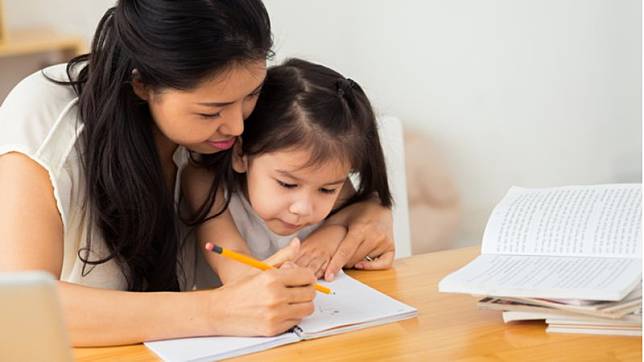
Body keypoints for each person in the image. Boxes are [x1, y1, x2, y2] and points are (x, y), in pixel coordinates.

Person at [0, 0, 394, 347]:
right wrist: (215, 310)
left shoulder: (231, 131)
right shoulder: (45, 119)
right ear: (141, 83)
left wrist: (359, 213)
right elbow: (18, 309)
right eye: (210, 111)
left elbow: (319, 174)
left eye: (252, 95)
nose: (238, 127)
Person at [184, 58, 393, 284]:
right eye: (287, 184)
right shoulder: (204, 181)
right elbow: (234, 265)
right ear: (240, 154)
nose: (303, 208)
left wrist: (331, 235)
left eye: (326, 190)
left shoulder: (331, 178)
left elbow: (361, 219)